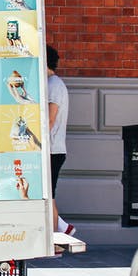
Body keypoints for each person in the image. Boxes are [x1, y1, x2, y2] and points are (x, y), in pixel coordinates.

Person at [46, 46, 75, 236]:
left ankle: (56, 240)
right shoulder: (51, 83)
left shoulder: (54, 84)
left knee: (50, 196)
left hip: (51, 149)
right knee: (48, 195)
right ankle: (64, 228)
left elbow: (50, 119)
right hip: (51, 149)